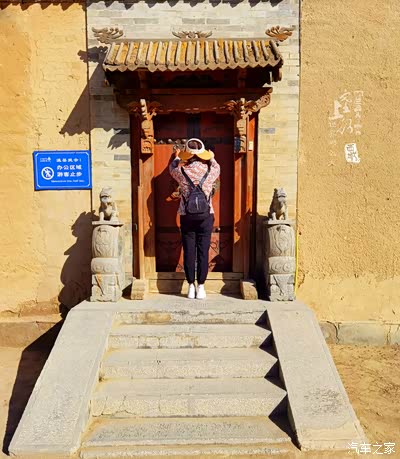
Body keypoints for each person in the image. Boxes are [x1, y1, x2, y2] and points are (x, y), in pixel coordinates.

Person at [169, 138, 221, 299]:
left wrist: (177, 157)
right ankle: (201, 287)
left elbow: (171, 168)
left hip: (187, 216)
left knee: (189, 251)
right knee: (203, 251)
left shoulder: (181, 172)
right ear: (202, 154)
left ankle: (191, 286)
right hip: (206, 216)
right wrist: (211, 157)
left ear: (188, 155)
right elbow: (217, 167)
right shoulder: (210, 171)